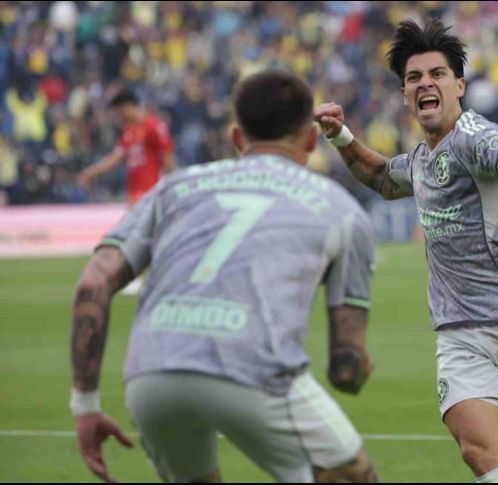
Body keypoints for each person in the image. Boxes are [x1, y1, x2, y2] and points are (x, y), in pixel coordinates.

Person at [69, 70, 379, 484]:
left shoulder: (175, 187)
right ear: (309, 140)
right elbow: (347, 372)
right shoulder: (342, 209)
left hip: (152, 373)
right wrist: (356, 366)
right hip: (253, 366)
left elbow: (93, 284)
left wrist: (85, 404)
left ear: (236, 139)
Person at [315, 19, 498, 484]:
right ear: (405, 94)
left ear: (459, 85)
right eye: (415, 78)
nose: (426, 83)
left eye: (437, 74)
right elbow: (383, 177)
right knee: (479, 451)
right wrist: (341, 136)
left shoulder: (472, 138)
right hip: (461, 332)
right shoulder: (424, 158)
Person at [77, 88, 177, 295]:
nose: (118, 117)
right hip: (135, 192)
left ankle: (140, 278)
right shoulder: (129, 131)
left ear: (129, 106)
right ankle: (152, 278)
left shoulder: (154, 126)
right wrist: (91, 173)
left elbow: (168, 159)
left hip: (151, 191)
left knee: (138, 235)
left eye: (119, 112)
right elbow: (116, 158)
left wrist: (174, 186)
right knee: (149, 236)